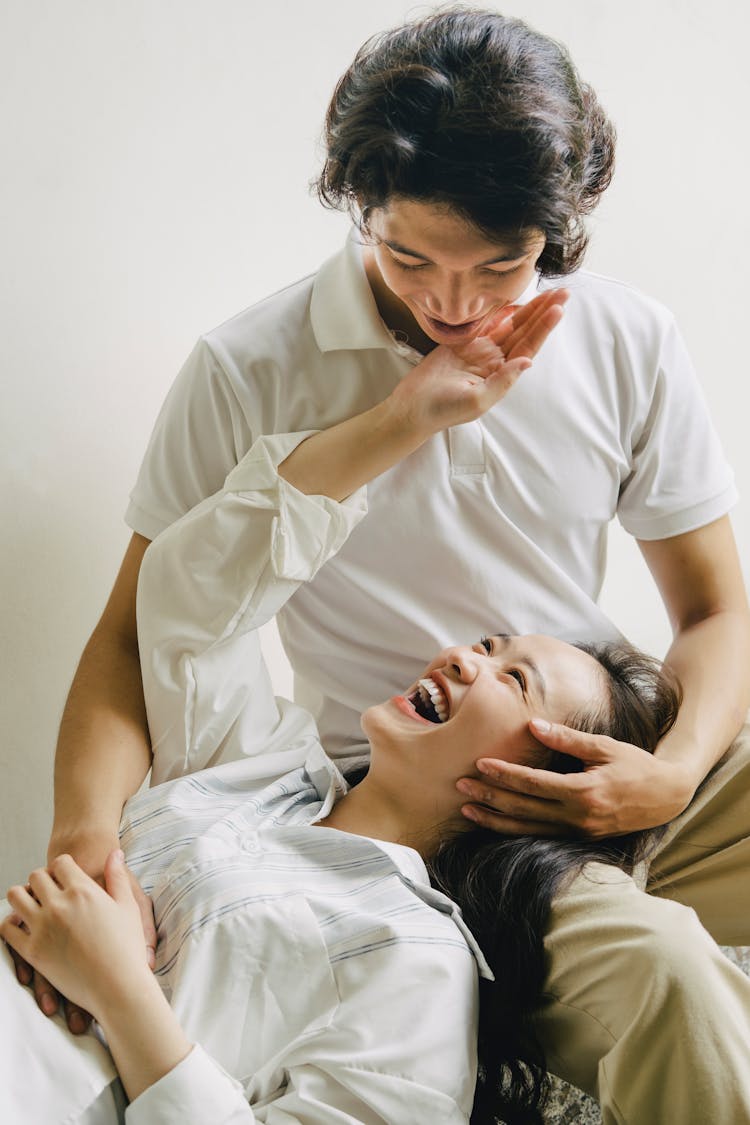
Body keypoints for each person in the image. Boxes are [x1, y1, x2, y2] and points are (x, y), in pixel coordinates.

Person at [16, 5, 750, 1120]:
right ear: (362, 210)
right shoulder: (248, 368)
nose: (453, 304)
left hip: (605, 728)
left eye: (499, 268)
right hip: (443, 800)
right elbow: (141, 629)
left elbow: (714, 609)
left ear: (561, 233)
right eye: (412, 257)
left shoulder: (625, 338)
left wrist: (676, 767)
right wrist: (88, 839)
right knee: (667, 976)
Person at [1, 399, 707, 1124]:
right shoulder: (264, 764)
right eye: (491, 644)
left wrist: (120, 987)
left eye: (516, 680)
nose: (463, 655)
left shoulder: (421, 965)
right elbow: (187, 596)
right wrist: (407, 418)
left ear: (544, 784)